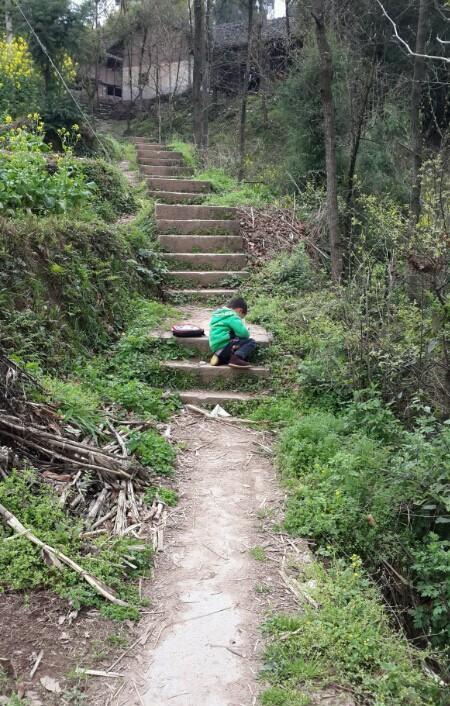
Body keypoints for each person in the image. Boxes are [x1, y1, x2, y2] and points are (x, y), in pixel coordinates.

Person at [208, 297, 256, 369]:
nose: (240, 320)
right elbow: (244, 334)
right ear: (240, 311)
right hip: (225, 345)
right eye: (241, 318)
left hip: (216, 348)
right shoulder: (232, 316)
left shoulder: (218, 315)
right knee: (251, 342)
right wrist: (245, 329)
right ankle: (236, 358)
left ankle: (220, 358)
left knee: (234, 338)